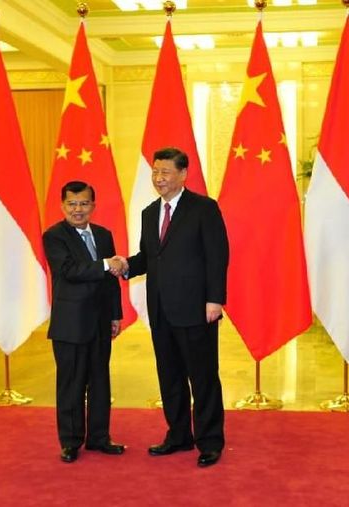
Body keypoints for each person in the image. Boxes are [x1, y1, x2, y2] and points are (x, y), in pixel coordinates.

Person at [121, 147, 229, 468]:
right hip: (161, 310)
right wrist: (124, 265)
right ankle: (179, 434)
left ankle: (210, 441)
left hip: (196, 309)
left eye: (166, 172)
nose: (159, 178)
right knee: (169, 376)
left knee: (203, 377)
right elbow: (149, 258)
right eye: (155, 172)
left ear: (183, 174)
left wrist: (215, 299)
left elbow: (217, 256)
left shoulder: (204, 208)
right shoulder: (149, 212)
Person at [43, 181, 128, 463]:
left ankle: (99, 438)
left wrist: (115, 314)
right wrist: (105, 263)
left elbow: (111, 282)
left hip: (100, 322)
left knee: (100, 381)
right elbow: (69, 270)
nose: (77, 210)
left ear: (93, 205)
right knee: (72, 384)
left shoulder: (103, 235)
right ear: (62, 206)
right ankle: (70, 442)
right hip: (70, 325)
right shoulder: (54, 236)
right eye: (72, 204)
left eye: (83, 203)